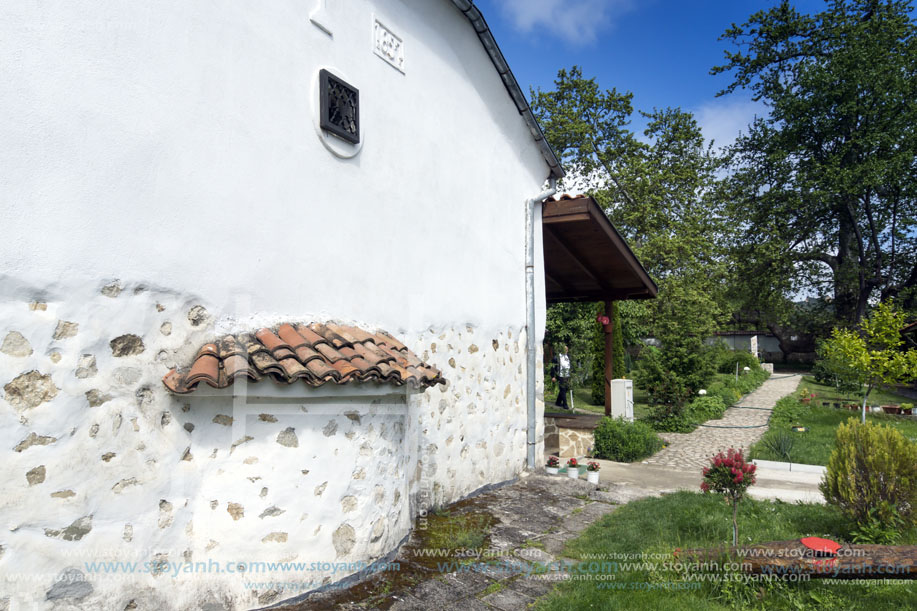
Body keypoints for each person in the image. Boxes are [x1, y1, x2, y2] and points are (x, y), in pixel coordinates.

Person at [551, 344, 571, 409]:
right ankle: (565, 404)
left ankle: (558, 402)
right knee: (563, 389)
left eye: (567, 349)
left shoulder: (568, 356)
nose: (566, 351)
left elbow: (570, 366)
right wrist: (553, 376)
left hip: (567, 375)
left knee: (565, 389)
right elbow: (553, 367)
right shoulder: (557, 357)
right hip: (560, 375)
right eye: (565, 349)